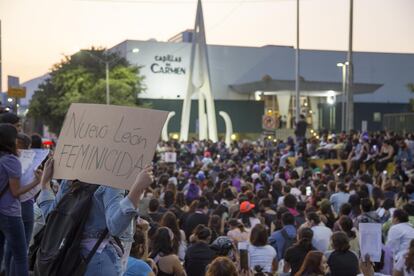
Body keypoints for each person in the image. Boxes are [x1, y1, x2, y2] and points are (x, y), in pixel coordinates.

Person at [38, 162, 154, 276]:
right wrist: (137, 189)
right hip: (95, 263)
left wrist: (45, 185)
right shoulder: (110, 181)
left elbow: (49, 218)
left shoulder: (70, 178)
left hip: (64, 259)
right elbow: (116, 227)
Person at [0, 123, 44, 276]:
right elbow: (16, 192)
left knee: (5, 251)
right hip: (10, 213)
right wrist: (36, 182)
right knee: (20, 256)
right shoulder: (11, 160)